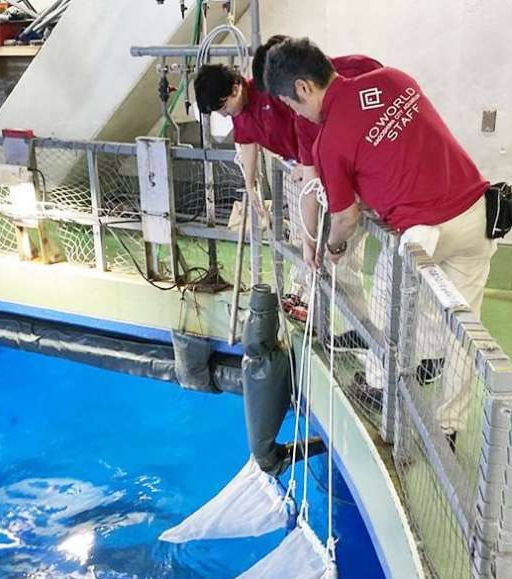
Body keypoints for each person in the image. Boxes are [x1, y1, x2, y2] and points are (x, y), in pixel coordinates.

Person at [264, 38, 496, 447]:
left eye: (292, 105)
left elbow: (346, 218)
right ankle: (449, 426)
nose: (297, 114)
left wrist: (331, 248)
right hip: (477, 213)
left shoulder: (330, 141)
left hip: (425, 232)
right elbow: (399, 150)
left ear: (304, 88)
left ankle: (380, 389)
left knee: (388, 306)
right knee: (463, 329)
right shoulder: (394, 79)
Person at [194, 43, 381, 320]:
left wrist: (311, 166)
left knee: (336, 249)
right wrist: (251, 186)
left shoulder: (277, 93)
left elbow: (308, 125)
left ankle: (347, 319)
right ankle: (308, 292)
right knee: (307, 238)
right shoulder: (247, 114)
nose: (225, 114)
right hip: (305, 170)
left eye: (223, 107)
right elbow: (247, 144)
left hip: (327, 172)